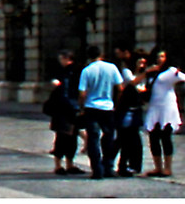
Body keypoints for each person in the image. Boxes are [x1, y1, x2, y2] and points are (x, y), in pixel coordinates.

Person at [76, 45, 124, 179]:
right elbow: (120, 88)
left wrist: (81, 107)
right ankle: (108, 167)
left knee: (93, 139)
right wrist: (116, 103)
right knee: (108, 137)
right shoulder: (112, 67)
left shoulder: (86, 71)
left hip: (91, 107)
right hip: (108, 107)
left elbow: (82, 92)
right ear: (101, 54)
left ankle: (97, 170)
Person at [142, 49, 185, 178]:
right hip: (154, 106)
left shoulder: (169, 72)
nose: (160, 59)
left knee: (166, 137)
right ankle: (158, 167)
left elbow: (183, 77)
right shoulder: (152, 72)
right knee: (154, 137)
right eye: (158, 56)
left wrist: (176, 72)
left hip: (167, 107)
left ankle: (167, 168)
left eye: (162, 56)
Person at [44, 50, 82, 175]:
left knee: (62, 137)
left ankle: (59, 165)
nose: (60, 61)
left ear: (66, 58)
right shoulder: (77, 71)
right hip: (73, 107)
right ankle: (69, 164)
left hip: (62, 109)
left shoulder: (64, 73)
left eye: (61, 59)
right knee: (71, 137)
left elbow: (62, 91)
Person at [113, 53, 152, 176]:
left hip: (136, 108)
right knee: (123, 138)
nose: (142, 65)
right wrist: (146, 72)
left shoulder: (143, 75)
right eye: (140, 62)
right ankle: (117, 164)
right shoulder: (127, 71)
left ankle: (133, 165)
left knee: (134, 138)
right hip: (125, 109)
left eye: (144, 63)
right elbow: (132, 82)